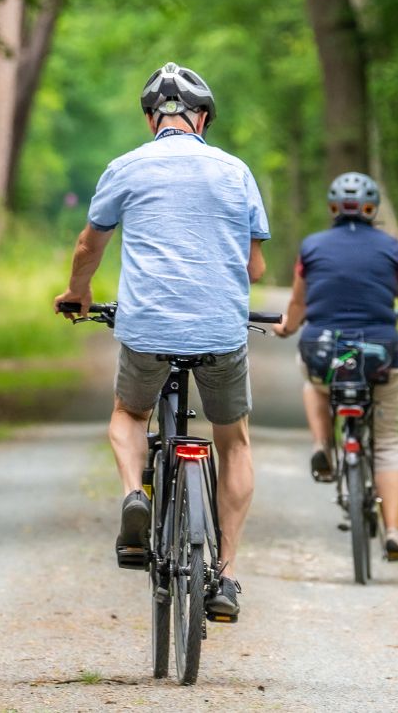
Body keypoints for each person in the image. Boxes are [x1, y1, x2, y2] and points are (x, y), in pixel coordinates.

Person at [54, 62, 270, 618]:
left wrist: (79, 293)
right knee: (235, 440)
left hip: (147, 327)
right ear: (202, 118)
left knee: (129, 414)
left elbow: (88, 246)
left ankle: (134, 495)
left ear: (153, 118)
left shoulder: (126, 167)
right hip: (221, 329)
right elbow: (256, 265)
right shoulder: (235, 171)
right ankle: (224, 578)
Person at [272, 171, 398, 560]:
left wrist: (287, 327)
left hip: (324, 352)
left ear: (332, 208)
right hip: (379, 355)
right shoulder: (391, 248)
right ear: (372, 208)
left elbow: (298, 304)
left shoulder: (311, 247)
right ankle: (394, 531)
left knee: (313, 381)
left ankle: (322, 445)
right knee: (389, 443)